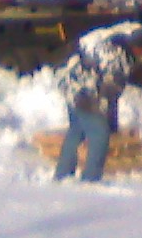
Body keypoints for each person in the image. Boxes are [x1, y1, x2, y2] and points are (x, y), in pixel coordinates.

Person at [54, 29, 133, 182]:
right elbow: (110, 86)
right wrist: (106, 115)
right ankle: (91, 179)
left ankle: (62, 175)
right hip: (84, 90)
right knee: (100, 134)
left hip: (70, 82)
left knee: (77, 130)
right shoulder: (117, 57)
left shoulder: (110, 48)